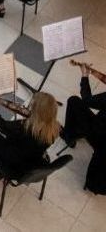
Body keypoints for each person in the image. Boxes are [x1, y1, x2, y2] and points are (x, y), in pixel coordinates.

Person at [0, 91, 60, 179]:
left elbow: (1, 125)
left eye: (32, 107)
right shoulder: (56, 127)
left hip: (14, 161)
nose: (29, 107)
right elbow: (26, 112)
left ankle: (0, 171)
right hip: (32, 162)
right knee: (15, 139)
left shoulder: (25, 127)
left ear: (36, 111)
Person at [62, 63, 106, 193]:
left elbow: (87, 100)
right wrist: (96, 74)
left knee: (74, 101)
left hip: (99, 137)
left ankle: (69, 137)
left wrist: (85, 76)